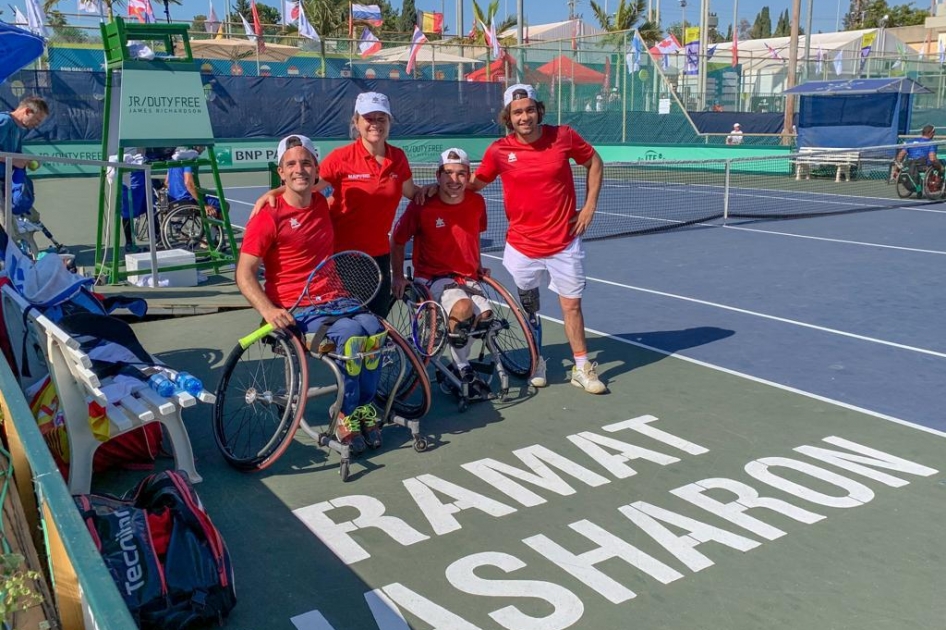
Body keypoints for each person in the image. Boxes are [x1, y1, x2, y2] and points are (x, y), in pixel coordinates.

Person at [236, 135, 387, 453]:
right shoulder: (268, 217)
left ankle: (362, 407)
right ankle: (345, 413)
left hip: (337, 297)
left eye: (306, 162)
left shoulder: (322, 203)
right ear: (280, 170)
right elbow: (244, 273)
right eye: (290, 163)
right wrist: (267, 310)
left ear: (316, 168)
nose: (299, 169)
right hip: (299, 306)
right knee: (351, 336)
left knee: (375, 331)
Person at [469, 84, 606, 394]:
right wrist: (437, 188)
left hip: (564, 243)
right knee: (529, 307)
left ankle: (582, 366)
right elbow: (474, 185)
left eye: (530, 110)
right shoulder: (498, 151)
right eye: (517, 112)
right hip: (522, 247)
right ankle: (536, 360)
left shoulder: (564, 136)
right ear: (508, 116)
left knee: (571, 306)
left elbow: (594, 162)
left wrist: (589, 208)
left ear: (538, 111)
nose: (525, 116)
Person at [251, 92, 423, 318]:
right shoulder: (341, 157)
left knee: (378, 325)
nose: (375, 124)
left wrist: (432, 190)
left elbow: (411, 191)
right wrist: (276, 191)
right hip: (342, 258)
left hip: (379, 257)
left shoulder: (398, 158)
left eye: (381, 118)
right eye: (368, 118)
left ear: (389, 122)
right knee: (354, 327)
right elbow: (306, 183)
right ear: (356, 122)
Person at [391, 148, 491, 388]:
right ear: (438, 175)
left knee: (485, 318)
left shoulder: (477, 201)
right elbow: (397, 239)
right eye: (448, 173)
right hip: (432, 278)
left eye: (460, 174)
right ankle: (461, 366)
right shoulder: (422, 204)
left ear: (469, 176)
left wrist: (478, 265)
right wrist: (397, 276)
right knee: (464, 308)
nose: (454, 180)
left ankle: (454, 348)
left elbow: (474, 236)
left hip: (465, 277)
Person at [0, 97, 48, 247]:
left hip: (5, 182)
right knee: (5, 224)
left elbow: (15, 155)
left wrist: (24, 161)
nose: (37, 125)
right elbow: (12, 159)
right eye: (37, 119)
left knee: (31, 216)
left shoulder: (19, 129)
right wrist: (15, 161)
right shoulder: (5, 121)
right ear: (27, 111)